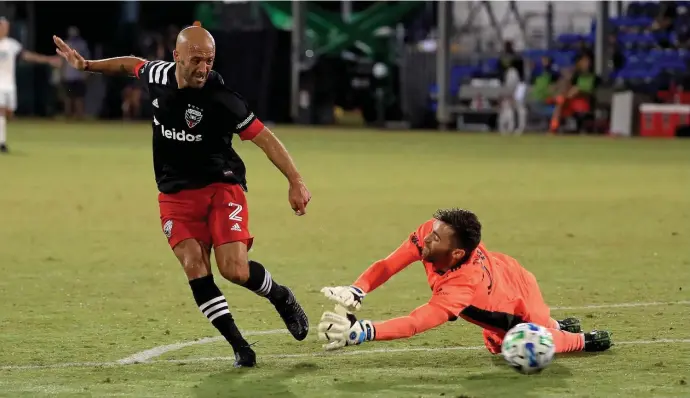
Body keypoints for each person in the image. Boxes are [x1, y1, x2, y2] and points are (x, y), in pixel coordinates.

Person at [53, 22, 311, 368]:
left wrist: (295, 180)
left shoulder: (222, 99)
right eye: (195, 60)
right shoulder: (159, 75)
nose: (203, 67)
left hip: (222, 187)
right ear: (176, 57)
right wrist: (87, 66)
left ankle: (280, 296)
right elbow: (132, 65)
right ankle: (240, 347)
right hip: (175, 194)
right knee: (194, 266)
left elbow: (264, 138)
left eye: (209, 60)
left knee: (233, 269)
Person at [318, 208, 613, 355]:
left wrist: (364, 332)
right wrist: (359, 287)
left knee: (521, 343)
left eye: (435, 238)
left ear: (456, 253)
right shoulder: (434, 238)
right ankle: (559, 324)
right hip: (506, 271)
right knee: (511, 341)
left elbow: (416, 322)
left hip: (516, 306)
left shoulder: (462, 286)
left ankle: (583, 339)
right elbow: (389, 264)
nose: (426, 238)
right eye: (432, 231)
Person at [0, 17, 61, 153]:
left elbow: (27, 56)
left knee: (9, 114)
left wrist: (48, 60)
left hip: (10, 85)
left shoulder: (11, 45)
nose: (4, 29)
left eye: (5, 26)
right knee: (1, 112)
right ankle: (2, 143)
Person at [549, 53, 601, 134]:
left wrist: (579, 91)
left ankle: (554, 127)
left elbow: (593, 92)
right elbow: (570, 88)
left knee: (565, 97)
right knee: (560, 100)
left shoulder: (595, 77)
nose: (585, 63)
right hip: (571, 100)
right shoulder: (576, 76)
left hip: (585, 101)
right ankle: (553, 127)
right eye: (583, 61)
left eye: (587, 61)